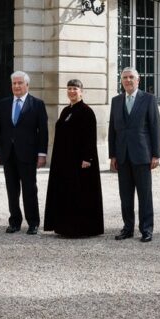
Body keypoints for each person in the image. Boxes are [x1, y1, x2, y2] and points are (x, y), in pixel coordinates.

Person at [0, 71, 49, 235]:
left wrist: (42, 154)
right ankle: (15, 221)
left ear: (27, 85)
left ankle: (33, 222)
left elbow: (43, 132)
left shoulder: (37, 104)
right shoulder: (3, 104)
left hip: (28, 154)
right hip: (8, 154)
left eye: (19, 83)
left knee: (30, 189)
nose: (16, 86)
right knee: (11, 189)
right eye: (14, 83)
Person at [43, 79, 103, 238]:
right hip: (64, 162)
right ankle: (64, 226)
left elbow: (90, 137)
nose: (71, 91)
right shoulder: (65, 111)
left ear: (81, 91)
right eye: (69, 88)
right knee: (66, 193)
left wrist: (87, 158)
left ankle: (81, 228)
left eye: (75, 88)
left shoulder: (86, 111)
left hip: (80, 162)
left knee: (79, 194)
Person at [108, 67, 160, 243]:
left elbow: (155, 127)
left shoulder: (148, 99)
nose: (128, 80)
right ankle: (127, 228)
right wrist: (112, 155)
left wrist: (156, 154)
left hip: (142, 154)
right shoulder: (116, 101)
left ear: (138, 80)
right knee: (125, 195)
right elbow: (112, 131)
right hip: (122, 155)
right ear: (121, 80)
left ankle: (146, 229)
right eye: (125, 77)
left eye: (131, 77)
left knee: (144, 194)